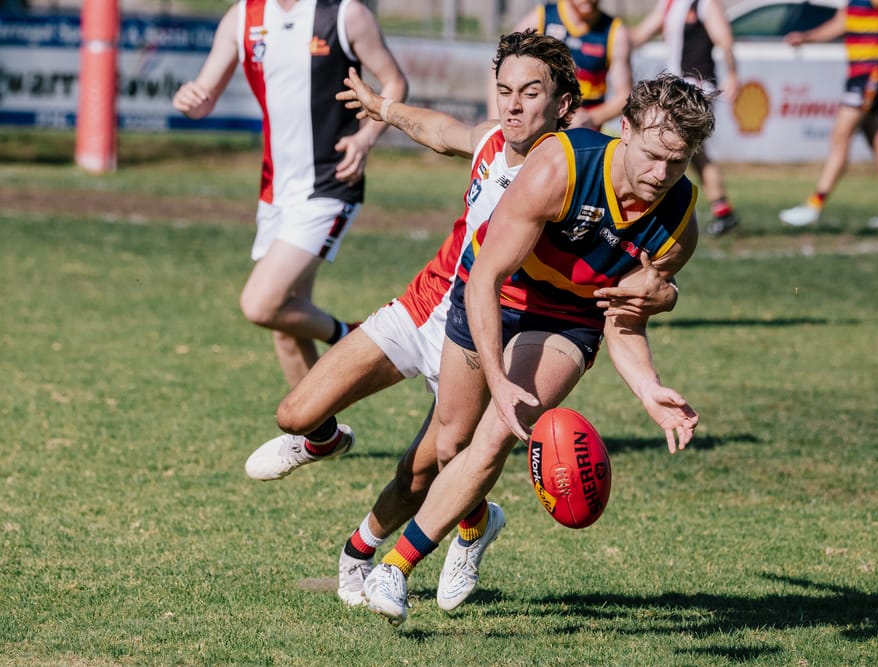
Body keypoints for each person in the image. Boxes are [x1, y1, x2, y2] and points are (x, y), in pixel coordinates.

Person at [242, 31, 680, 607]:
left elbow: (619, 248)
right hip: (428, 304)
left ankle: (414, 542)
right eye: (505, 91)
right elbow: (440, 131)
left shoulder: (573, 168)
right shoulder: (492, 142)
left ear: (564, 105)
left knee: (432, 466)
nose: (514, 105)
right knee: (295, 412)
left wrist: (660, 289)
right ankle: (325, 443)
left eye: (530, 93)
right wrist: (386, 110)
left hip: (492, 321)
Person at [361, 72, 711, 626]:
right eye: (651, 155)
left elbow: (621, 321)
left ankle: (395, 568)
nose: (660, 174)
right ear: (625, 130)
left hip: (569, 321)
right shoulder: (561, 166)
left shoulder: (679, 224)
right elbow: (486, 277)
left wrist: (648, 388)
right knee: (450, 443)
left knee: (498, 433)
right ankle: (477, 528)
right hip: (496, 292)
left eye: (679, 161)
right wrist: (497, 379)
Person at [172, 0, 408, 387]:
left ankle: (354, 336)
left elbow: (395, 82)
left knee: (261, 303)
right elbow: (204, 97)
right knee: (285, 323)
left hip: (329, 182)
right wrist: (190, 99)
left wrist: (366, 139)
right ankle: (317, 433)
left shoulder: (346, 14)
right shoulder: (242, 17)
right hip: (275, 189)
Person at [778, 0, 878, 230]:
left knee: (840, 136)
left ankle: (814, 205)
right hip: (859, 73)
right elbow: (839, 24)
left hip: (871, 73)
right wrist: (806, 37)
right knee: (876, 137)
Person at [630, 0, 742, 237]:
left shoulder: (703, 4)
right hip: (676, 87)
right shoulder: (670, 4)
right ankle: (722, 209)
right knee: (693, 153)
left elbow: (724, 39)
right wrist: (607, 36)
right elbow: (638, 36)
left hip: (697, 87)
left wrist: (732, 74)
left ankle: (654, 210)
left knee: (671, 147)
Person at [507, 0, 634, 130]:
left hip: (583, 133)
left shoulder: (616, 32)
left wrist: (591, 118)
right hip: (540, 126)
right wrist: (497, 124)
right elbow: (503, 69)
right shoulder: (541, 19)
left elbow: (624, 96)